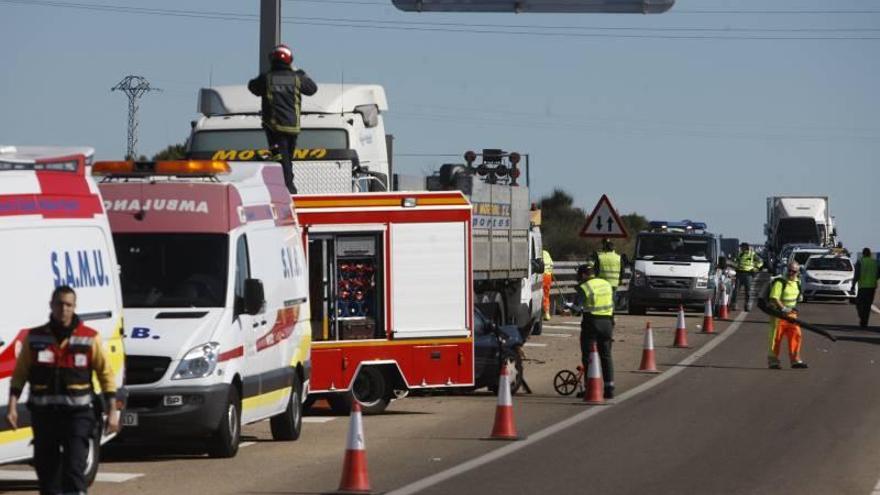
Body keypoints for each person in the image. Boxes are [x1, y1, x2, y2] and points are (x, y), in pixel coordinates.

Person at [6, 286, 120, 494]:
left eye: (68, 305)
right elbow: (20, 374)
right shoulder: (35, 338)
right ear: (51, 305)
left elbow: (106, 375)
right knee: (47, 471)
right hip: (45, 416)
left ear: (74, 307)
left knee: (74, 468)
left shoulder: (89, 337)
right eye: (59, 304)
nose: (63, 309)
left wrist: (112, 410)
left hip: (78, 416)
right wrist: (12, 406)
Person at [248, 44, 318, 194]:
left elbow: (252, 87)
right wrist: (300, 74)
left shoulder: (266, 78)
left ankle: (288, 188)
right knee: (287, 159)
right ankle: (287, 185)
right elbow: (312, 89)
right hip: (292, 127)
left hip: (274, 128)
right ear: (289, 60)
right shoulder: (297, 78)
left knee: (281, 159)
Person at [566, 262, 615, 398]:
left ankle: (590, 388)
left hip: (591, 323)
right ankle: (609, 387)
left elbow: (577, 310)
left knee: (588, 357)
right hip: (608, 323)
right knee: (606, 356)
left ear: (582, 275)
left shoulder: (585, 287)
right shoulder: (606, 284)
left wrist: (569, 307)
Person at [767, 261, 808, 369]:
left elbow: (797, 296)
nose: (790, 273)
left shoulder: (797, 283)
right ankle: (773, 361)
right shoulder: (780, 282)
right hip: (778, 315)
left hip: (791, 315)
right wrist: (783, 308)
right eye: (789, 270)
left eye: (793, 271)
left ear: (797, 272)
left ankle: (795, 360)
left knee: (796, 334)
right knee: (776, 338)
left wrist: (798, 299)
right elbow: (774, 297)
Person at [591, 238, 624, 307]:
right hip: (614, 282)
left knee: (602, 298)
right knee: (612, 299)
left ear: (605, 248)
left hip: (602, 282)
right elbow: (622, 270)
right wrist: (620, 280)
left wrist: (596, 278)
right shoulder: (618, 257)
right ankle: (611, 313)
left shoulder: (600, 257)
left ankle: (602, 313)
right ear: (613, 249)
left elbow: (596, 269)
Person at [731, 242, 763, 311]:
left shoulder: (752, 254)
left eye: (742, 247)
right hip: (739, 273)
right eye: (741, 247)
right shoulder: (740, 254)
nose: (741, 248)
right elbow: (735, 261)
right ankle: (734, 304)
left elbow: (760, 261)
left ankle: (747, 305)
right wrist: (733, 263)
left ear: (746, 247)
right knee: (736, 290)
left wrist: (756, 268)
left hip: (748, 274)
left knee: (748, 291)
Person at [853, 248, 879, 328]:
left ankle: (862, 318)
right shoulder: (875, 262)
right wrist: (875, 279)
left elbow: (857, 274)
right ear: (870, 254)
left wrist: (853, 284)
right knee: (867, 305)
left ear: (863, 254)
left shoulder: (860, 262)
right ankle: (865, 321)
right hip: (872, 287)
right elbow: (879, 273)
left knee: (859, 304)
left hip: (863, 287)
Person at [541, 249, 554, 321]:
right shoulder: (546, 252)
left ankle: (540, 313)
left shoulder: (537, 252)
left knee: (539, 295)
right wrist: (550, 272)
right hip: (548, 276)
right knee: (546, 295)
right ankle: (547, 314)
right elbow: (552, 264)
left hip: (540, 276)